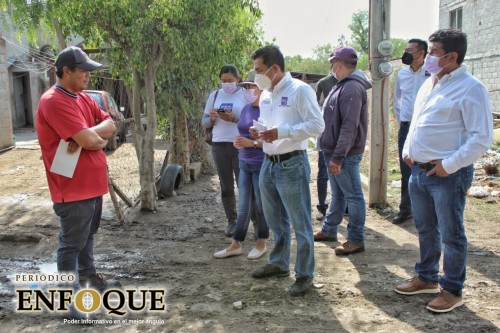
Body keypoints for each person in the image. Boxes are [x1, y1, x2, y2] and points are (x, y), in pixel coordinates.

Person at [395, 29, 493, 313]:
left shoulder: (471, 88)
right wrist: (407, 152)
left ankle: (452, 288)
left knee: (451, 234)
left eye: (434, 52)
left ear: (452, 56)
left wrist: (447, 165)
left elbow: (481, 138)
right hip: (419, 172)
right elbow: (415, 122)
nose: (427, 58)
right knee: (425, 228)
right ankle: (426, 277)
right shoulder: (430, 84)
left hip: (447, 175)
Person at [36, 46, 119, 292]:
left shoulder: (82, 97)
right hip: (72, 187)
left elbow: (110, 125)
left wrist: (87, 135)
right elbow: (92, 142)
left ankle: (88, 277)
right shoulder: (53, 101)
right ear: (65, 71)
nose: (88, 75)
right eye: (82, 70)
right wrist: (90, 138)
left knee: (87, 235)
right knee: (71, 243)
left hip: (91, 184)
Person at [249, 45, 324, 297]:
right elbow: (272, 126)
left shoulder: (300, 90)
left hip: (292, 163)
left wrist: (281, 132)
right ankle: (280, 263)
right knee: (275, 220)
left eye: (259, 70)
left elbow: (317, 124)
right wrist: (259, 132)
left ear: (275, 68)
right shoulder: (267, 93)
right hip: (268, 162)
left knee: (300, 222)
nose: (255, 75)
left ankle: (304, 274)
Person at [313, 46, 372, 256]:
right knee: (338, 193)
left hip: (344, 154)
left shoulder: (352, 88)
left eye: (332, 63)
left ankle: (356, 239)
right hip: (335, 151)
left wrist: (338, 156)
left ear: (338, 63)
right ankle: (330, 229)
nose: (331, 67)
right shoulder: (343, 85)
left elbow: (350, 125)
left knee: (354, 196)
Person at [213, 71, 269, 260]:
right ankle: (236, 244)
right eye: (245, 87)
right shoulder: (246, 108)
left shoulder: (268, 109)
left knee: (261, 205)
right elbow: (244, 131)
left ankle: (261, 243)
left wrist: (253, 144)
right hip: (244, 161)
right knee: (244, 205)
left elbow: (274, 142)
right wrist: (241, 142)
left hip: (261, 163)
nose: (247, 90)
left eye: (250, 86)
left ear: (261, 87)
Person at [202, 65, 246, 237]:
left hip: (240, 144)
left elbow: (252, 120)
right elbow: (204, 122)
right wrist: (212, 119)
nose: (227, 84)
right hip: (219, 145)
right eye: (223, 81)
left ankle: (251, 221)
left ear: (238, 79)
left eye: (230, 80)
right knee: (226, 185)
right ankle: (232, 221)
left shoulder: (245, 94)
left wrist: (234, 119)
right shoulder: (215, 95)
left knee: (244, 185)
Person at [392, 38, 430, 224]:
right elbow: (397, 99)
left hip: (426, 128)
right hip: (406, 127)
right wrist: (402, 120)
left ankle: (425, 211)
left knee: (426, 167)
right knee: (406, 168)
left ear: (421, 53)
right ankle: (405, 209)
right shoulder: (402, 74)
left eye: (410, 50)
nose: (405, 53)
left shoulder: (432, 73)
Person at [314, 58, 338, 221]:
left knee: (344, 171)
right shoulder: (324, 82)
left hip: (343, 132)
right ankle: (322, 205)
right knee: (323, 171)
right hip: (325, 130)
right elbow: (315, 106)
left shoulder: (349, 81)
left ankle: (344, 206)